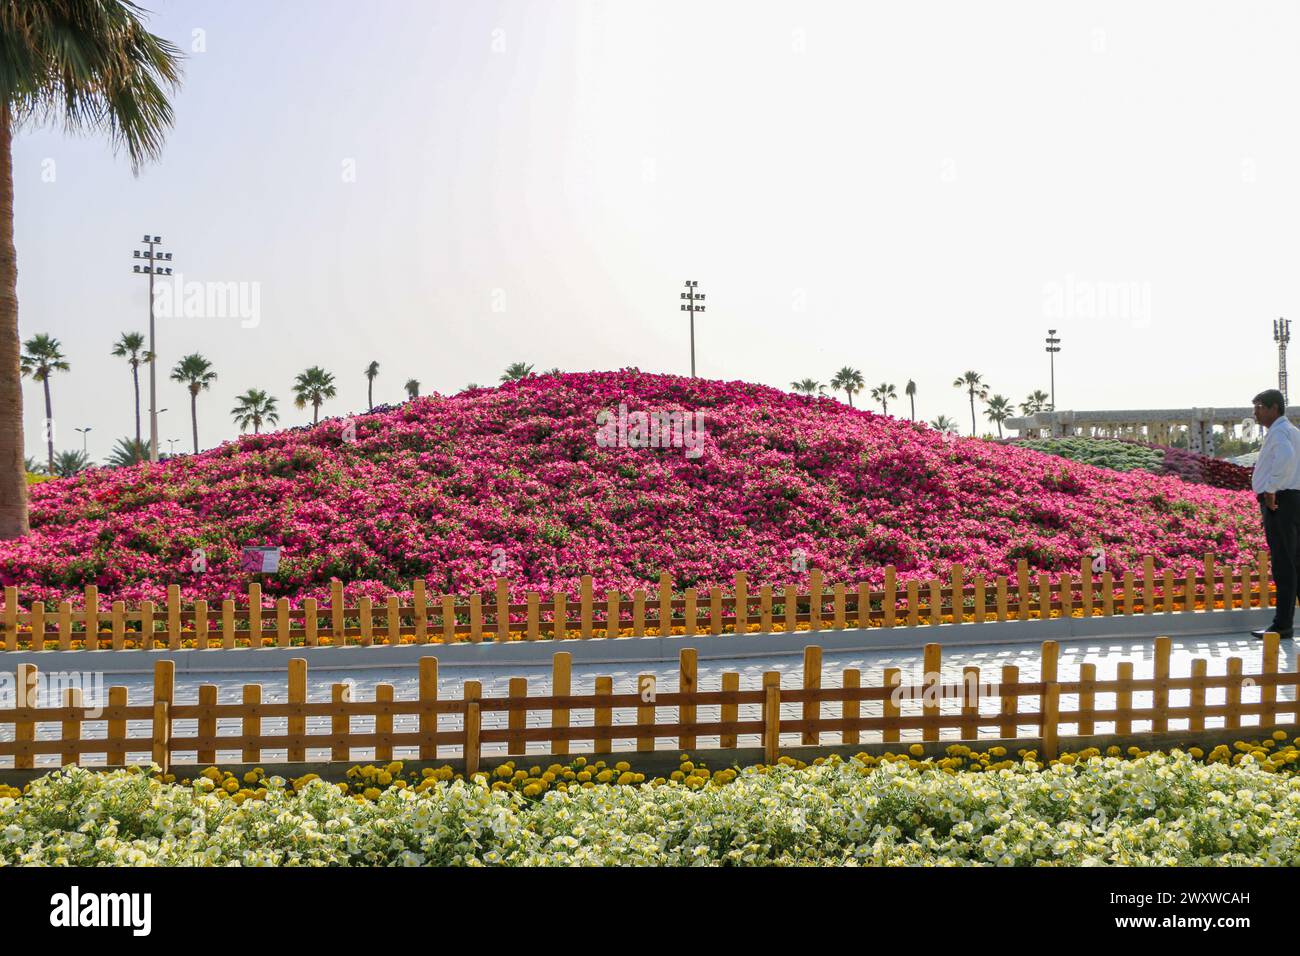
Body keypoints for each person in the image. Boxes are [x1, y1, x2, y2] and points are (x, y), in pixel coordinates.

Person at [1250, 389, 1300, 639]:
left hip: (1280, 502)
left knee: (1284, 565)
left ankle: (1282, 625)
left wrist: (1270, 489)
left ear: (1274, 408)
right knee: (1296, 563)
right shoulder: (1292, 432)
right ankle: (1285, 623)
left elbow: (1285, 458)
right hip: (1294, 500)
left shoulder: (1280, 432)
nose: (1255, 412)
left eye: (1259, 406)